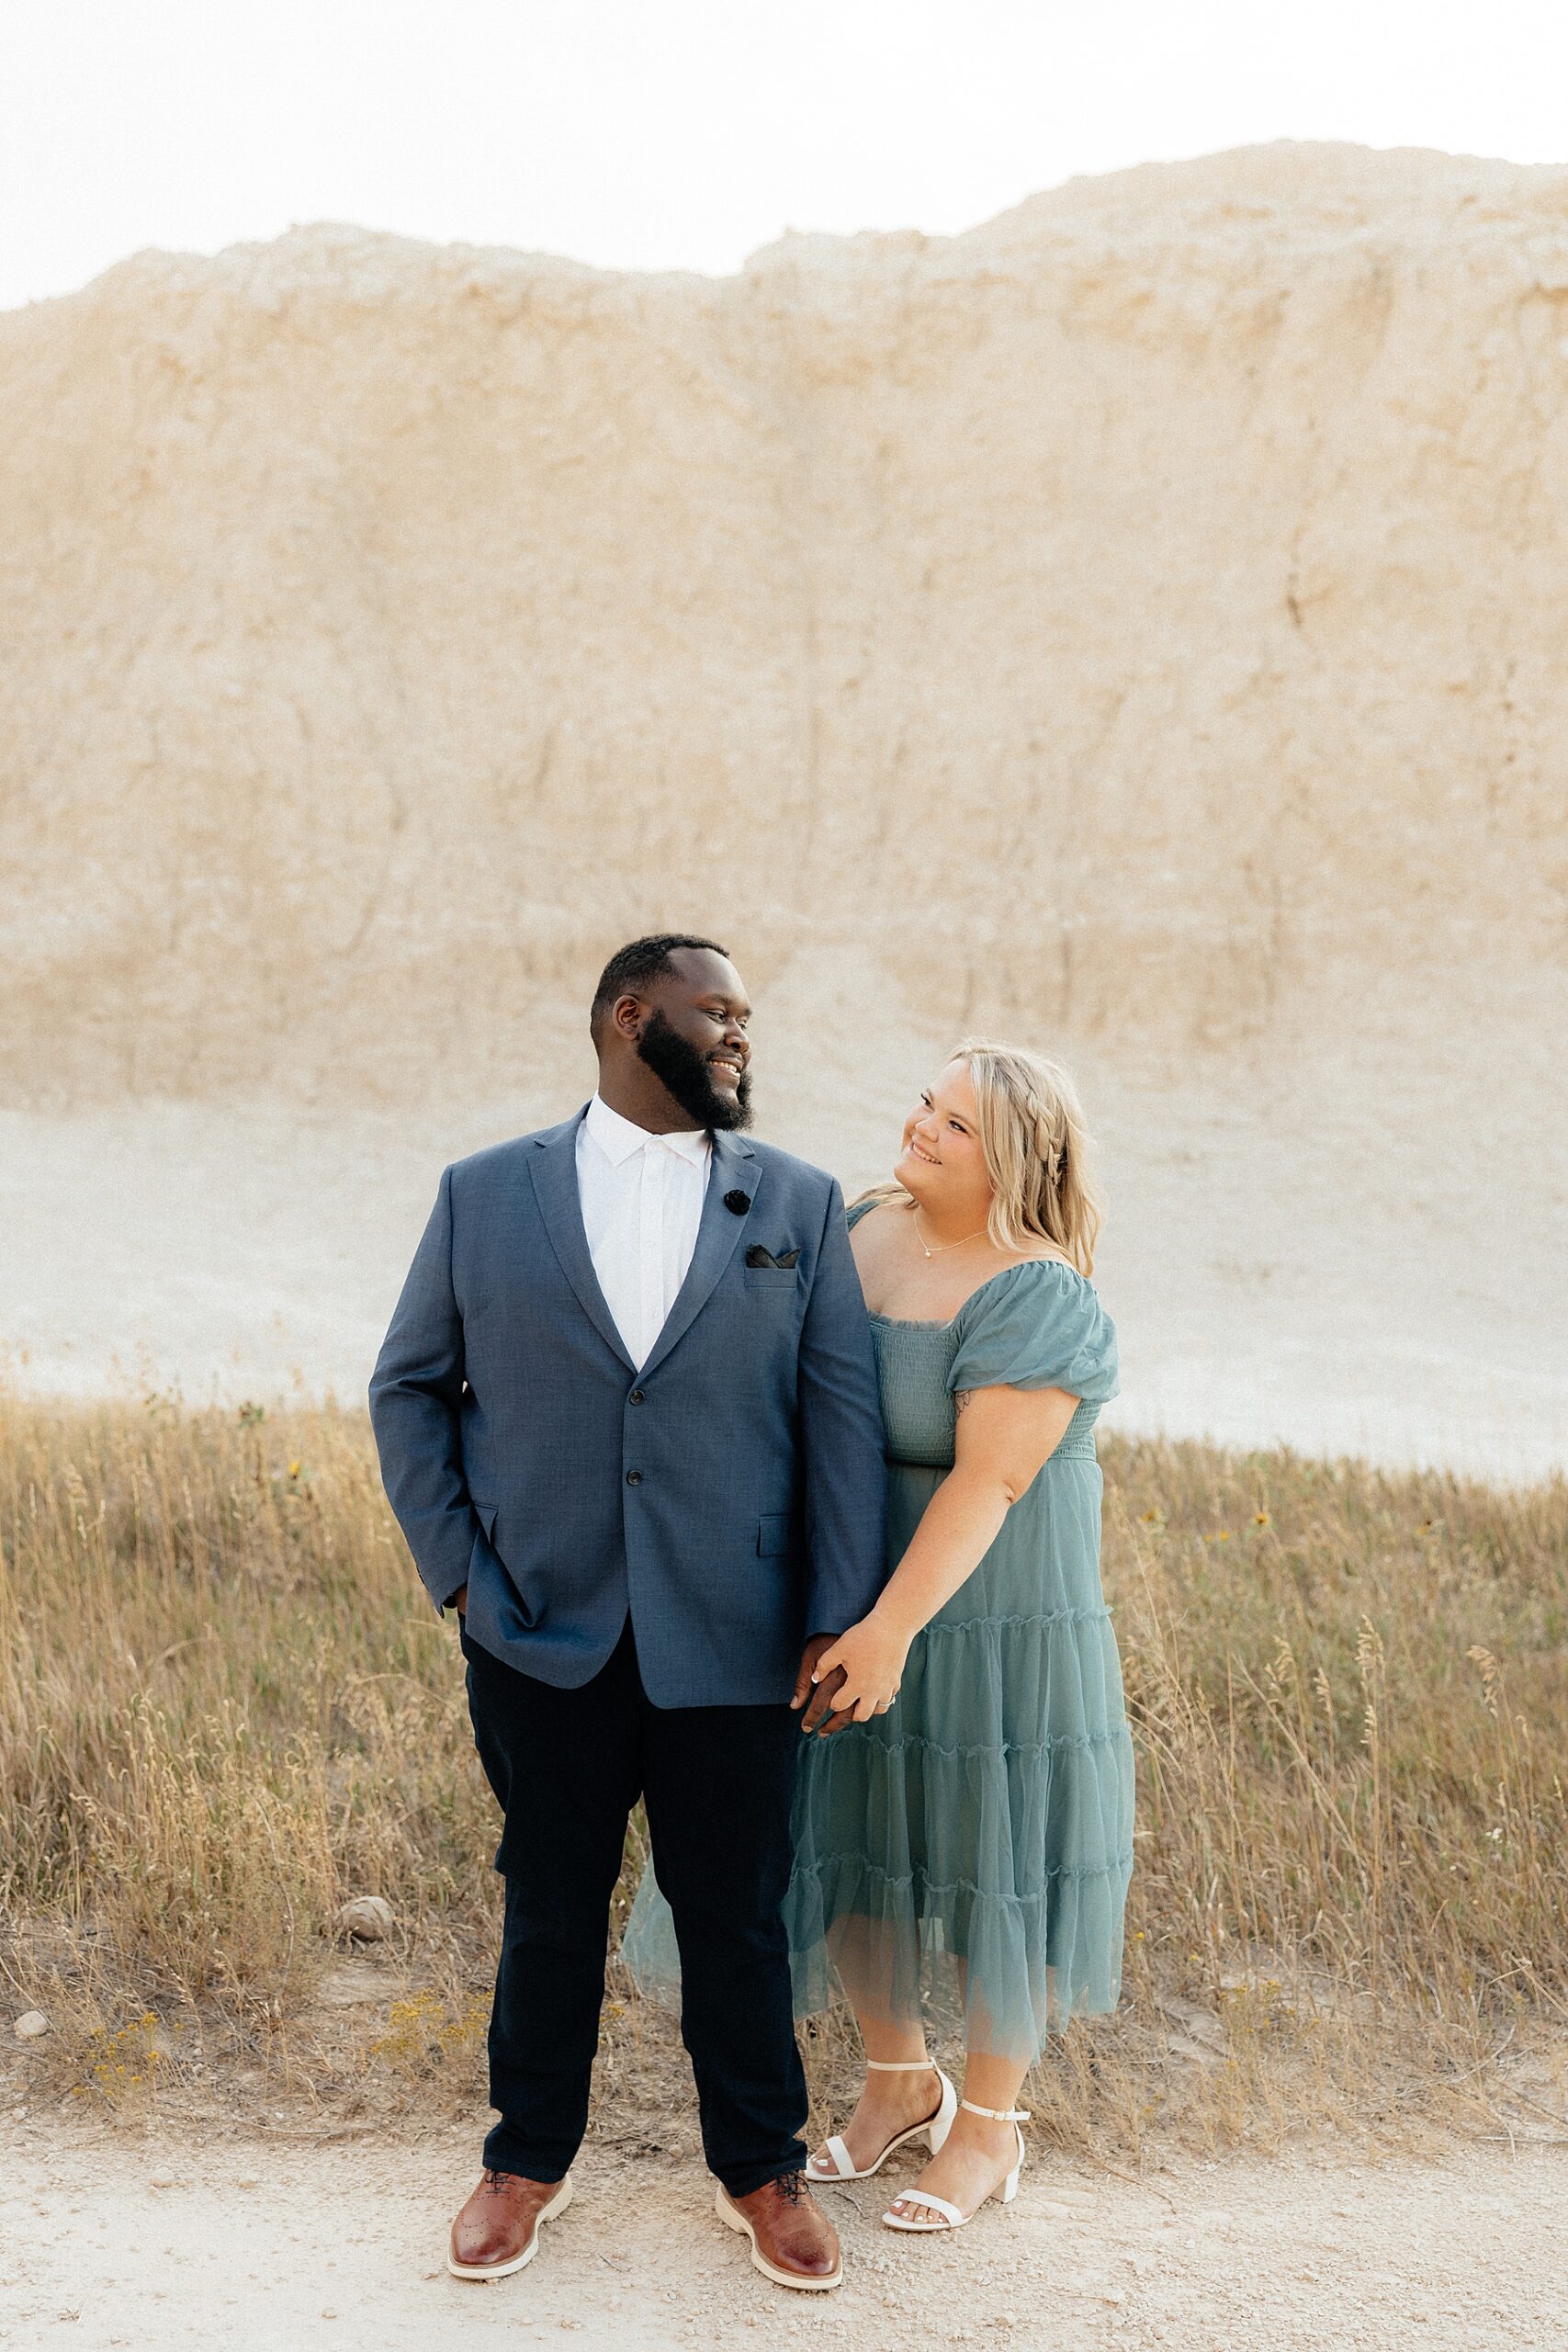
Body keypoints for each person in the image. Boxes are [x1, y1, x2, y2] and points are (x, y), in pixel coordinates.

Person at [368, 934, 887, 2294]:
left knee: (735, 1912)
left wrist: (837, 1614)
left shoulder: (801, 1202)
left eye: (747, 1021)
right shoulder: (485, 1195)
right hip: (540, 1628)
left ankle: (760, 2170)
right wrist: (464, 1576)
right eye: (716, 1014)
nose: (739, 1039)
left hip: (742, 1630)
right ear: (627, 1017)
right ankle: (525, 2160)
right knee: (548, 1903)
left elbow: (836, 1423)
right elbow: (409, 1387)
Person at [624, 1039, 1134, 2234]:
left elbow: (987, 1488)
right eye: (924, 1103)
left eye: (953, 1125)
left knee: (995, 1860)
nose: (920, 1129)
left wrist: (892, 1627)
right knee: (846, 1838)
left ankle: (991, 2129)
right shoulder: (860, 1227)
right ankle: (901, 2078)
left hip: (989, 1618)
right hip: (853, 1593)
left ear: (1012, 1156)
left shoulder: (1037, 1289)